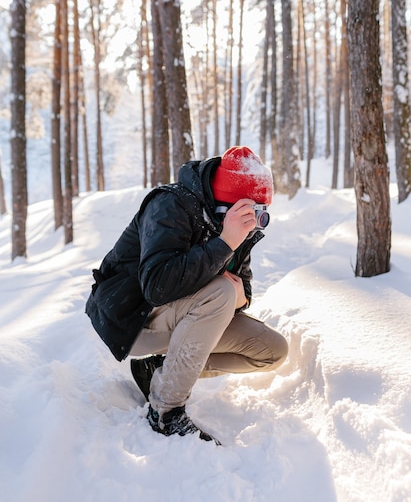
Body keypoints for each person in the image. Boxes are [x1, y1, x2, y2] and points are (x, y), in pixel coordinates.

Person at [85, 146, 288, 444]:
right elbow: (156, 286)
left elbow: (242, 291)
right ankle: (165, 412)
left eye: (261, 213)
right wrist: (224, 244)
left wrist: (237, 290)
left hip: (185, 313)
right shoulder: (171, 205)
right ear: (227, 205)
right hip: (131, 317)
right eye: (250, 212)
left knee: (272, 350)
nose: (255, 222)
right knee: (218, 292)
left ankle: (157, 371)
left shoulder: (237, 226)